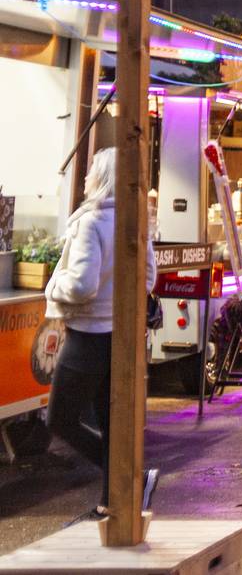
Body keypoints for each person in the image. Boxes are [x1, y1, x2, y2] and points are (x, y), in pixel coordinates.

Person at [44, 149, 155, 519]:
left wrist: (53, 283)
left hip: (87, 335)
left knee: (60, 418)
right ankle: (114, 501)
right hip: (120, 336)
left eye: (92, 169)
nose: (87, 175)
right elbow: (150, 279)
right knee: (112, 421)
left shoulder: (90, 222)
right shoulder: (136, 219)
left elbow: (81, 286)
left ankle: (129, 479)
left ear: (103, 176)